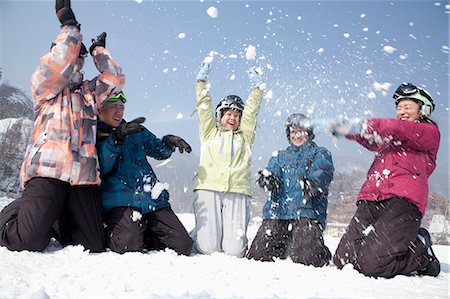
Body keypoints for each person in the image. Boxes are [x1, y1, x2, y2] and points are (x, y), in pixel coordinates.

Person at [0, 0, 125, 252]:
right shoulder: (44, 85)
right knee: (28, 240)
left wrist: (98, 51)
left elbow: (115, 79)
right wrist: (69, 25)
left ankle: (54, 217)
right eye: (71, 53)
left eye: (79, 55)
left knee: (93, 245)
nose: (75, 59)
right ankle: (20, 208)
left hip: (83, 177)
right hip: (48, 171)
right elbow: (60, 63)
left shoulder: (89, 93)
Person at [327, 83, 441, 278]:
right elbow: (371, 138)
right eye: (399, 108)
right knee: (342, 261)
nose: (402, 112)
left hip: (403, 203)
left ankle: (421, 252)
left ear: (422, 110)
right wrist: (348, 129)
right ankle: (377, 250)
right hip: (372, 198)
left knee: (372, 266)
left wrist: (366, 124)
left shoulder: (428, 132)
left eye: (408, 107)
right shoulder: (391, 137)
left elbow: (397, 128)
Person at [96, 91, 193, 255]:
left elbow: (159, 151)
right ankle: (114, 232)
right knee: (127, 246)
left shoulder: (135, 131)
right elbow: (101, 166)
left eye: (121, 107)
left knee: (182, 245)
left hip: (151, 198)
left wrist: (168, 142)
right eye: (113, 107)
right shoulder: (94, 133)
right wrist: (115, 139)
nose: (119, 112)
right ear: (100, 109)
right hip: (120, 201)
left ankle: (142, 232)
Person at [191, 60, 266, 257]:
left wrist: (257, 89)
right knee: (207, 248)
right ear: (220, 115)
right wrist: (201, 81)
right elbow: (204, 107)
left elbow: (251, 113)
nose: (232, 118)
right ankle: (200, 233)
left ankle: (230, 237)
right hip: (209, 188)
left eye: (236, 114)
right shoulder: (209, 132)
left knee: (235, 252)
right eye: (228, 114)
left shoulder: (245, 137)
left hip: (238, 191)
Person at [247, 113, 334, 266]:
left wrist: (314, 182)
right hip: (278, 213)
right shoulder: (280, 156)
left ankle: (318, 250)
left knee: (307, 260)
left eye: (301, 131)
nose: (297, 135)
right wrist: (269, 179)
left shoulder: (319, 152)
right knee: (257, 256)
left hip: (306, 212)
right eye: (293, 132)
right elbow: (272, 170)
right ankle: (285, 246)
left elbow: (322, 168)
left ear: (309, 133)